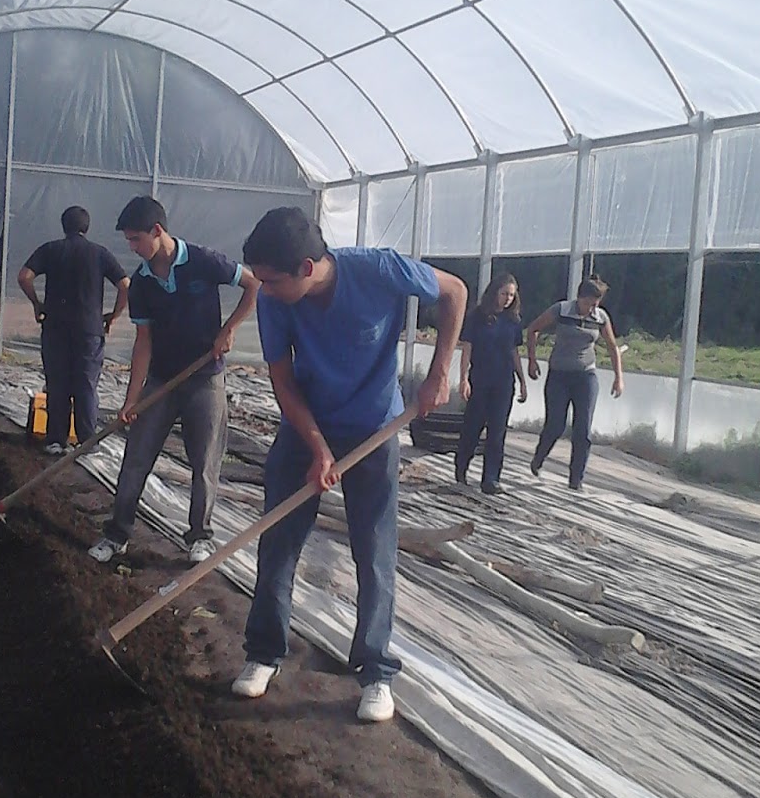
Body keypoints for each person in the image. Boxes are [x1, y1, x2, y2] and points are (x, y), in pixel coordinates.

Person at [232, 207, 467, 723]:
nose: (262, 291)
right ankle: (264, 653)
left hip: (374, 429)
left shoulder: (378, 271)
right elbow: (282, 381)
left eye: (271, 280)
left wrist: (438, 373)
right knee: (279, 539)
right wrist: (316, 447)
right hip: (305, 425)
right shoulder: (275, 299)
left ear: (308, 269)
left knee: (374, 549)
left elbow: (454, 292)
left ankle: (376, 671)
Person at [88, 196, 259, 567]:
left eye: (136, 239)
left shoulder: (203, 261)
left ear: (158, 231)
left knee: (205, 461)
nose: (132, 248)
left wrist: (228, 329)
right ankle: (117, 534)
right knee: (135, 459)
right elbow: (143, 343)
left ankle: (200, 536)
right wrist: (131, 400)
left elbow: (253, 285)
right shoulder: (143, 285)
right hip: (163, 380)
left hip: (205, 379)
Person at [17, 206, 130, 453]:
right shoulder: (99, 253)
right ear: (86, 228)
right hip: (89, 329)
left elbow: (24, 276)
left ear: (63, 225)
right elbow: (125, 285)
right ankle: (86, 442)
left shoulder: (50, 249)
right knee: (85, 385)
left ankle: (56, 440)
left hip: (55, 326)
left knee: (57, 383)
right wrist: (114, 315)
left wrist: (38, 304)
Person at [525, 276, 624, 490]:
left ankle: (576, 479)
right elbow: (532, 329)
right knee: (555, 425)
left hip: (585, 375)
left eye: (596, 304)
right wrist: (532, 360)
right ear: (579, 298)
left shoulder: (600, 317)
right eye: (589, 303)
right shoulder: (561, 310)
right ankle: (539, 457)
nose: (591, 308)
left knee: (583, 429)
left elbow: (612, 346)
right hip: (559, 375)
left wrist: (619, 377)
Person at [455, 271, 527, 493]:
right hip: (480, 379)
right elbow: (467, 348)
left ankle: (491, 479)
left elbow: (514, 351)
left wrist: (522, 380)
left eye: (511, 295)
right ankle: (461, 467)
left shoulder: (513, 320)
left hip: (504, 381)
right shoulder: (477, 317)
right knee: (473, 427)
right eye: (504, 293)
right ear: (494, 292)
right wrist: (463, 378)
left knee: (497, 431)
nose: (507, 299)